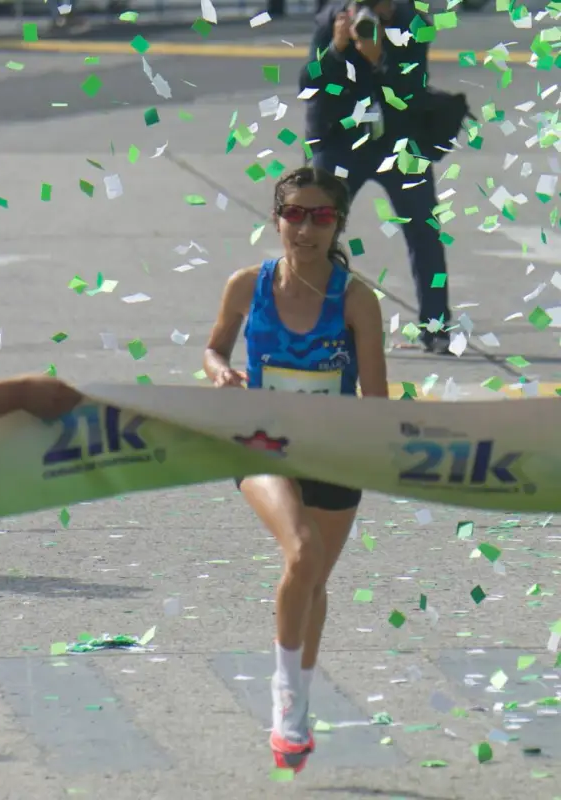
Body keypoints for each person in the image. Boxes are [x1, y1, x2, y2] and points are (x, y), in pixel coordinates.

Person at [202, 166, 387, 772]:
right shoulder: (245, 285)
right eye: (294, 214)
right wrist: (219, 373)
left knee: (313, 583)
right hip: (260, 448)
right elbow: (214, 349)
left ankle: (300, 698)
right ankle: (285, 699)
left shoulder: (357, 299)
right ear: (277, 217)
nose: (304, 228)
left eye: (320, 216)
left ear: (337, 224)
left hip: (333, 453)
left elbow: (377, 400)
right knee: (301, 553)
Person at [300, 0, 450, 353]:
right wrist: (337, 50)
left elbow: (411, 93)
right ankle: (308, 320)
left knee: (424, 231)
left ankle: (436, 326)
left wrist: (379, 58)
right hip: (339, 140)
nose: (375, 13)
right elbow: (308, 84)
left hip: (398, 141)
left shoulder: (414, 26)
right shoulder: (332, 21)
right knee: (315, 227)